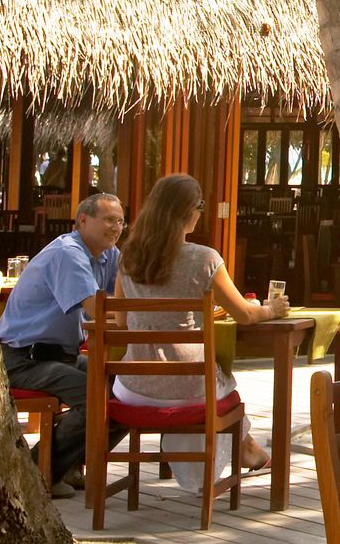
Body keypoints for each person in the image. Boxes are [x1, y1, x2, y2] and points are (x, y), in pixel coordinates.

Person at [113, 173, 284, 487]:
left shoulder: (128, 258)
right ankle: (247, 451)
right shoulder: (204, 259)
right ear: (187, 212)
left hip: (132, 390)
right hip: (188, 389)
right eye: (201, 205)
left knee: (218, 383)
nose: (201, 212)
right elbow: (245, 314)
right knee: (225, 386)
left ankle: (249, 451)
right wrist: (272, 309)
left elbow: (123, 322)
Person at [0, 191, 125, 495]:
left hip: (61, 356)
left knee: (130, 392)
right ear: (82, 220)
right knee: (98, 398)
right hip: (24, 358)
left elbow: (120, 301)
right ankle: (36, 471)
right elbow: (100, 309)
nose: (116, 228)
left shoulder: (109, 255)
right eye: (108, 220)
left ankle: (64, 466)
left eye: (120, 221)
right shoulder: (68, 252)